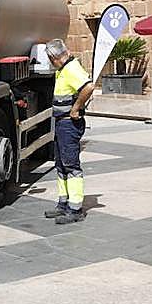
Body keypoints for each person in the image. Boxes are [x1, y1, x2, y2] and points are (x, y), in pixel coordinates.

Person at [44, 39, 93, 224]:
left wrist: (76, 108)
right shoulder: (63, 69)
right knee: (61, 164)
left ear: (53, 57)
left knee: (70, 165)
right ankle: (63, 204)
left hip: (68, 124)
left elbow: (88, 87)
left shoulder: (71, 68)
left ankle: (75, 209)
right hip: (62, 123)